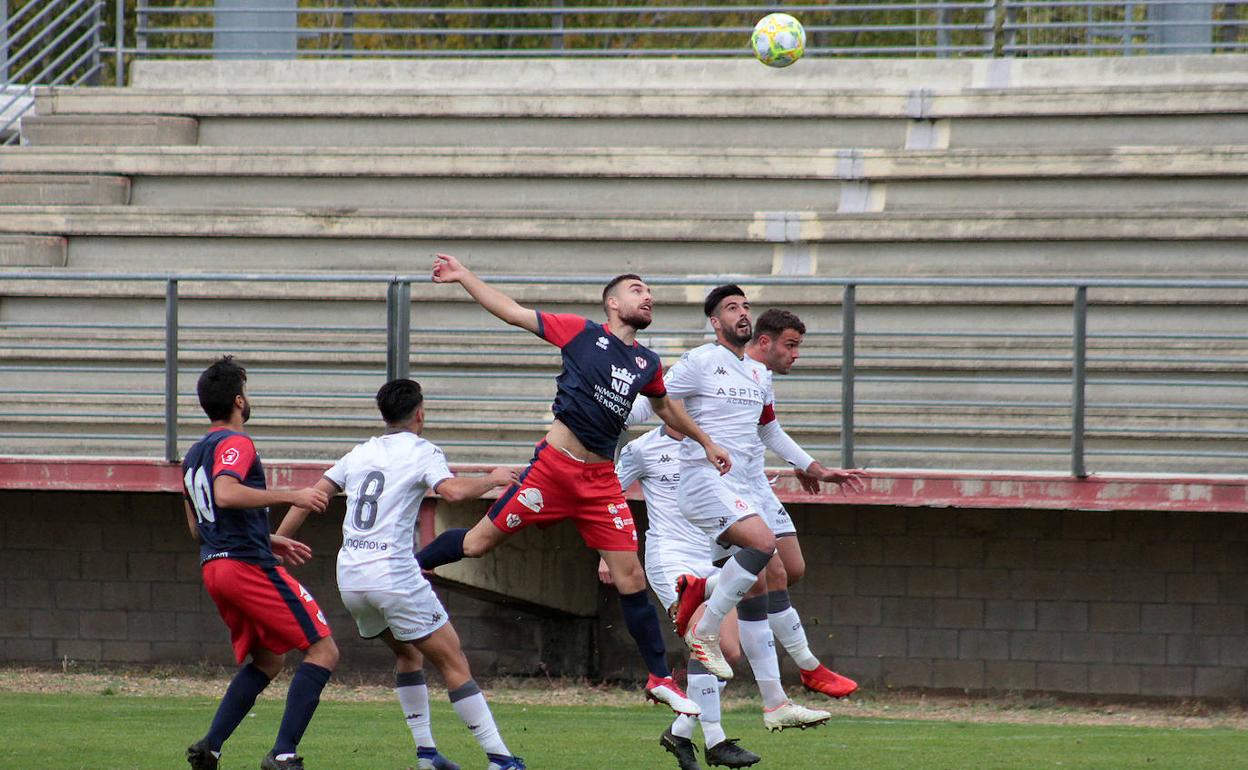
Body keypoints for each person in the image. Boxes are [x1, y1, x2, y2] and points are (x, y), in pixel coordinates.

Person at [415, 253, 732, 716]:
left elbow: (666, 409)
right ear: (611, 302)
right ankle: (406, 569)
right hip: (552, 471)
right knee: (479, 543)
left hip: (601, 481)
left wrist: (705, 441)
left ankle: (660, 677)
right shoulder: (581, 333)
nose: (648, 297)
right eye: (637, 290)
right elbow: (512, 311)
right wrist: (465, 276)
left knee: (631, 577)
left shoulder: (647, 361)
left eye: (650, 292)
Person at [278, 378, 526, 770]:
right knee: (454, 661)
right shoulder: (423, 451)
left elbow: (313, 495)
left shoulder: (360, 453)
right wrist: (493, 479)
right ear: (420, 413)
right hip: (392, 575)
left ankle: (427, 753)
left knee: (409, 653)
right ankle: (501, 759)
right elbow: (454, 493)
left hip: (352, 578)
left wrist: (277, 539)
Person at [653, 308, 864, 701]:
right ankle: (803, 670)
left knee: (789, 570)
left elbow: (768, 429)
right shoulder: (708, 363)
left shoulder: (760, 376)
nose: (795, 355)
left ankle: (706, 592)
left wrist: (810, 466)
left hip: (754, 484)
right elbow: (663, 404)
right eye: (791, 345)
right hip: (720, 486)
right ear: (764, 342)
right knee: (768, 576)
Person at [609, 425, 834, 769]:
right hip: (671, 558)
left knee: (728, 652)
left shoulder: (714, 446)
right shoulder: (643, 449)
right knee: (705, 641)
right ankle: (715, 740)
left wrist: (798, 464)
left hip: (711, 556)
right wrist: (608, 553)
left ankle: (680, 731)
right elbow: (608, 495)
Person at [182, 356, 337, 770]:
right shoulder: (237, 443)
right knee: (323, 649)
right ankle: (282, 754)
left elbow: (199, 526)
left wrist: (266, 537)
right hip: (244, 567)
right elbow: (227, 494)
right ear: (237, 400)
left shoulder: (193, 454)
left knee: (269, 660)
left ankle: (209, 747)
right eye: (245, 393)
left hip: (215, 566)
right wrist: (293, 496)